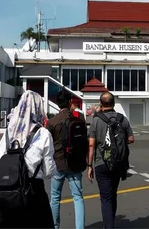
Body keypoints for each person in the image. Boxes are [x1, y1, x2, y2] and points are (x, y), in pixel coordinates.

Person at [0, 90, 56, 228]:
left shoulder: (9, 132)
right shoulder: (42, 133)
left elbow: (0, 155)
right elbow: (48, 171)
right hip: (32, 189)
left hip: (7, 190)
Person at [87, 92, 134, 229]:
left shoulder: (96, 120)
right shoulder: (122, 119)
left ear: (101, 104)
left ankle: (109, 226)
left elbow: (91, 144)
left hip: (102, 162)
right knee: (113, 195)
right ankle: (110, 223)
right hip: (118, 162)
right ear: (113, 103)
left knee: (105, 198)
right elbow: (131, 139)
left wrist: (89, 165)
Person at [47, 91, 87, 229]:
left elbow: (48, 144)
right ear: (70, 102)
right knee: (78, 197)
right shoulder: (79, 119)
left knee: (55, 198)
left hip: (58, 163)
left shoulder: (52, 122)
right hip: (75, 163)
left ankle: (55, 226)